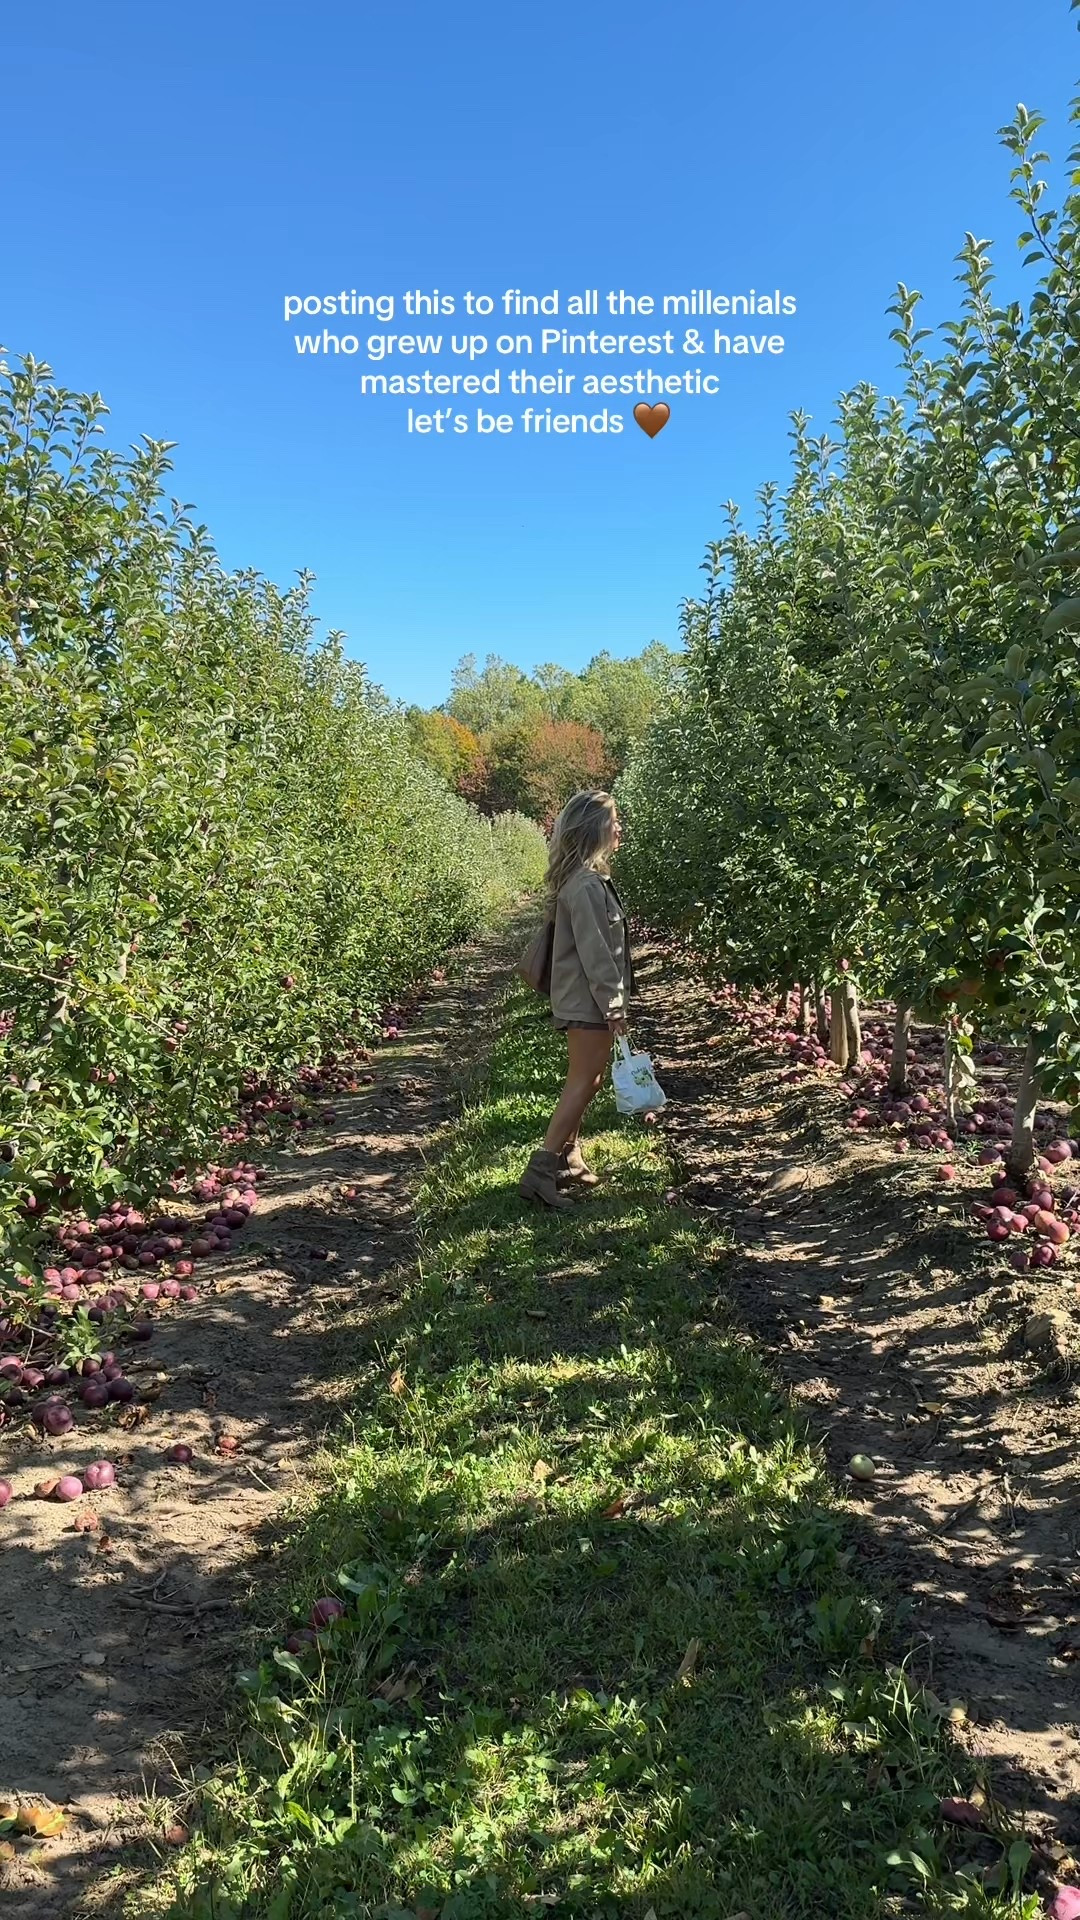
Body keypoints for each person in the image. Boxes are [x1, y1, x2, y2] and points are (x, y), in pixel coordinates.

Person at [519, 789, 634, 1211]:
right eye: (613, 819)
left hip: (585, 999)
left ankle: (567, 1158)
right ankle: (540, 1171)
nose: (619, 827)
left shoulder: (585, 880)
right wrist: (614, 1004)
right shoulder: (585, 885)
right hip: (588, 1000)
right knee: (582, 1080)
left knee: (591, 1078)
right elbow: (596, 952)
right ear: (593, 828)